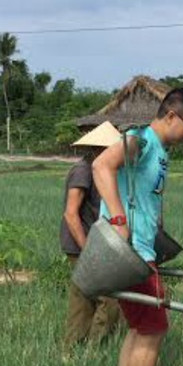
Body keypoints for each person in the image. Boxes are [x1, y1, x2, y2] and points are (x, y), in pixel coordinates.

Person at [92, 87, 183, 366]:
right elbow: (101, 166)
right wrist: (118, 220)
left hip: (142, 250)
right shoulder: (140, 140)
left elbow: (147, 198)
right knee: (153, 329)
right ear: (171, 115)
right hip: (132, 252)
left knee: (141, 328)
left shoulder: (160, 152)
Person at [61, 121, 123, 351]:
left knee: (85, 300)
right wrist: (88, 251)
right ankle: (92, 352)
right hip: (82, 246)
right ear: (100, 148)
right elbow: (71, 213)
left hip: (95, 244)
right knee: (108, 299)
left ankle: (75, 351)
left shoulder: (105, 171)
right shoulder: (84, 170)